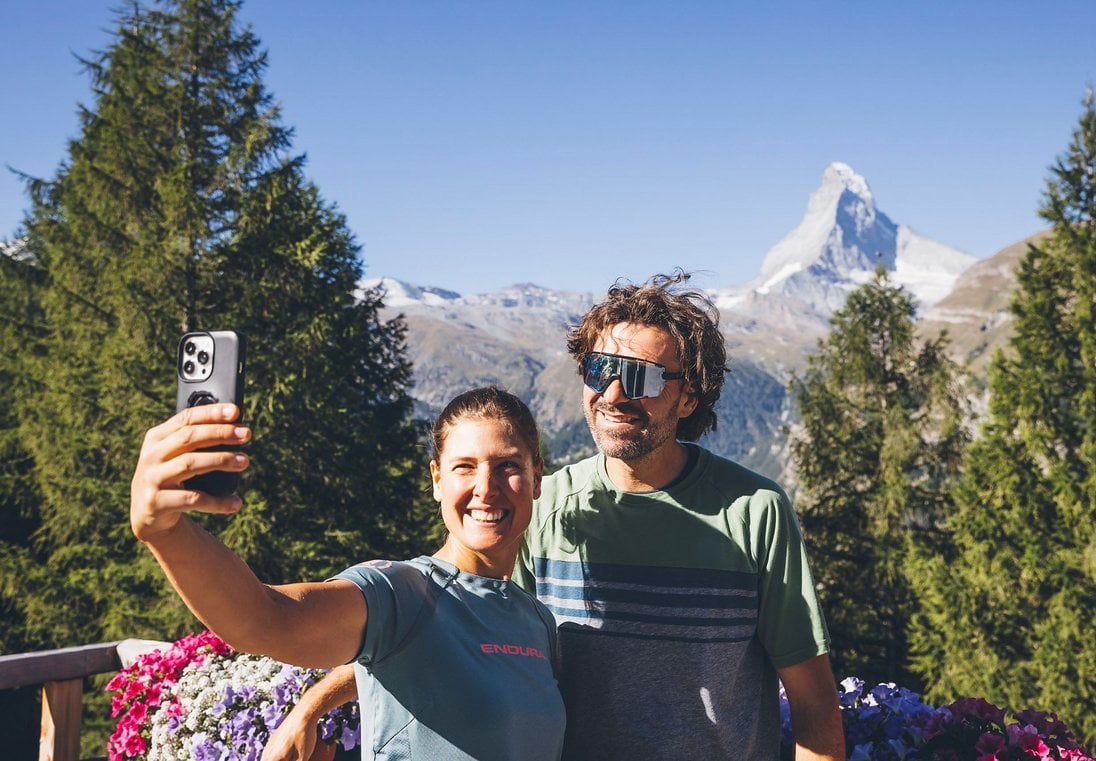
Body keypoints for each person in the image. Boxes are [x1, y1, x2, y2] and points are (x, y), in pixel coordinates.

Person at [267, 271, 844, 761]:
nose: (613, 394)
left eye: (640, 378)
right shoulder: (543, 504)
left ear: (688, 398)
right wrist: (314, 702)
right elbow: (454, 624)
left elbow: (815, 707)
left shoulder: (754, 513)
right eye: (599, 371)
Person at [131, 386, 565, 761]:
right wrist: (166, 533)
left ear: (537, 477)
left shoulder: (536, 620)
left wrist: (310, 705)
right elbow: (269, 619)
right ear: (437, 480)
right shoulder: (403, 592)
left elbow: (428, 667)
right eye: (464, 467)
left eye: (507, 466)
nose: (485, 487)